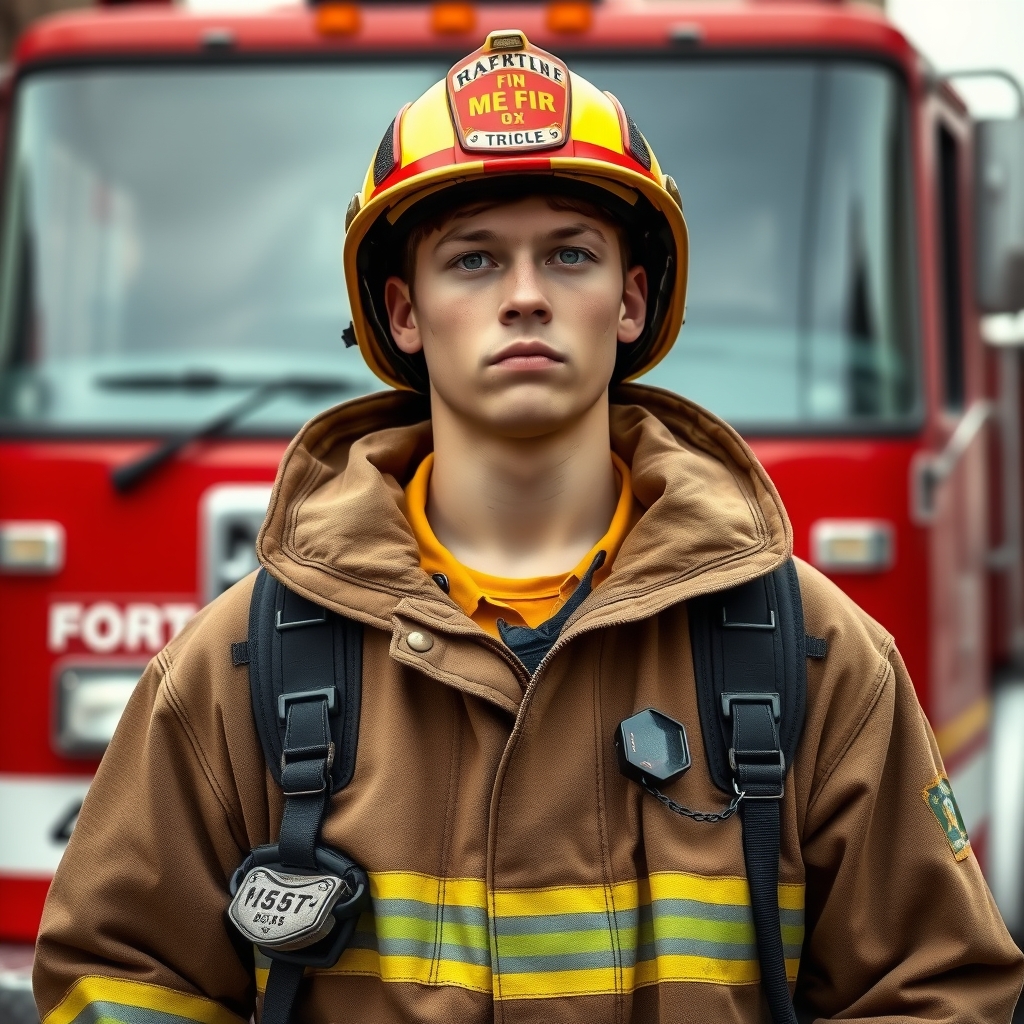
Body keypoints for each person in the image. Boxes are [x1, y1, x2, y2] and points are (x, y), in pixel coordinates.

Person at [33, 30, 1024, 1024]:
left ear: (630, 300)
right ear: (403, 311)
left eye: (570, 253)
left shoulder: (812, 658)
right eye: (472, 258)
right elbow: (120, 985)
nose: (523, 297)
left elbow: (935, 990)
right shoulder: (232, 670)